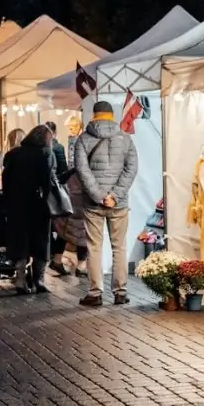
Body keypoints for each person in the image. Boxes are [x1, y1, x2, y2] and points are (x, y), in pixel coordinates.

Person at [75, 101, 138, 306]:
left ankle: (95, 293)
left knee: (94, 247)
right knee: (119, 247)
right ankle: (120, 292)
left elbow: (82, 172)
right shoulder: (126, 139)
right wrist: (114, 196)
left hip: (93, 204)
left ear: (94, 115)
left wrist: (100, 195)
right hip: (118, 205)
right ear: (112, 116)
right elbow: (131, 170)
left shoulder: (83, 140)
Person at [2, 125, 57, 294]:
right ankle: (39, 280)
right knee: (41, 242)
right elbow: (49, 180)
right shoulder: (46, 154)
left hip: (17, 206)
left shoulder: (12, 155)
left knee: (21, 242)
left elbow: (6, 182)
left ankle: (20, 280)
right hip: (39, 205)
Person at [50, 116, 88, 277]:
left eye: (73, 127)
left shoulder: (76, 142)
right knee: (81, 230)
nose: (70, 130)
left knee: (68, 229)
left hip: (71, 191)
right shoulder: (79, 143)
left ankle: (59, 260)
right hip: (79, 193)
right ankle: (81, 266)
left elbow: (68, 168)